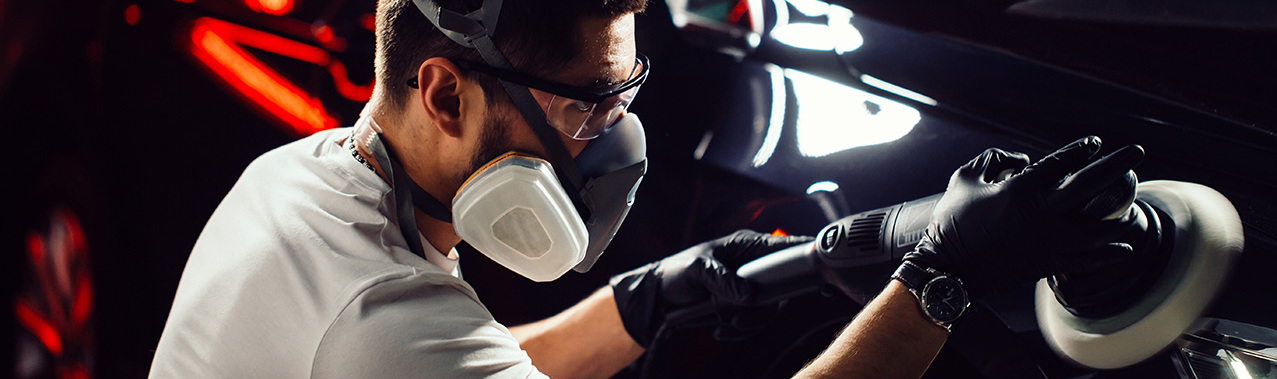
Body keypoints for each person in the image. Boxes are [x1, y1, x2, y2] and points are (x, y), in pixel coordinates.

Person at [148, 0, 1144, 377]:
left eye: (623, 96)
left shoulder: (299, 181)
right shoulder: (380, 327)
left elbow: (478, 362)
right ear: (444, 92)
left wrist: (651, 296)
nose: (608, 140)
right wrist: (939, 277)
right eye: (585, 106)